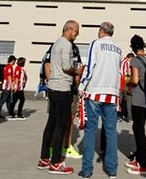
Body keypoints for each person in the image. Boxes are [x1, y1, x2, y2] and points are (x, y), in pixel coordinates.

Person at [37, 20, 84, 175]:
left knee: (51, 123)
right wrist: (77, 72)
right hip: (63, 88)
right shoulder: (67, 45)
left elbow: (49, 64)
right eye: (76, 31)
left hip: (53, 88)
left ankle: (44, 158)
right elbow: (65, 66)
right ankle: (56, 162)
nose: (77, 34)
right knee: (61, 125)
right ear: (68, 29)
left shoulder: (56, 43)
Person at [78, 22, 122, 179]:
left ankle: (87, 169)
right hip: (111, 93)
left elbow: (90, 67)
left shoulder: (95, 44)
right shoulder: (118, 48)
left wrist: (82, 86)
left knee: (90, 130)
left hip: (95, 92)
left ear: (102, 31)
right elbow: (119, 71)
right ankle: (112, 169)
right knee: (110, 131)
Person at [125, 35, 146, 175]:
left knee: (139, 131)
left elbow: (136, 80)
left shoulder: (134, 61)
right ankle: (138, 159)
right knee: (143, 130)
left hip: (139, 101)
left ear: (133, 47)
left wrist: (127, 81)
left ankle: (143, 164)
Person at [0, 55, 16, 120]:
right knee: (3, 100)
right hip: (7, 86)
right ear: (13, 60)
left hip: (7, 85)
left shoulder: (7, 67)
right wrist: (11, 85)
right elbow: (9, 77)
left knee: (8, 100)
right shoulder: (9, 67)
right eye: (14, 61)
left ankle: (10, 113)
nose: (15, 62)